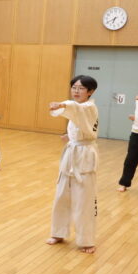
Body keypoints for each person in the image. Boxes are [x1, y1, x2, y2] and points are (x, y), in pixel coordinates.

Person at [47, 75, 99, 254]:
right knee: (61, 195)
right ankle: (58, 232)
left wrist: (62, 105)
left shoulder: (89, 107)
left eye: (81, 88)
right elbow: (79, 124)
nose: (76, 91)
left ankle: (86, 240)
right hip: (71, 154)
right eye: (74, 87)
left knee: (83, 200)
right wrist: (69, 137)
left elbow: (77, 111)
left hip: (85, 157)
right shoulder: (78, 107)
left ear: (90, 92)